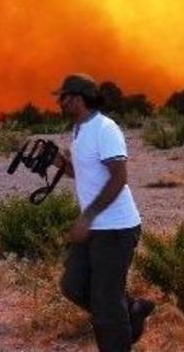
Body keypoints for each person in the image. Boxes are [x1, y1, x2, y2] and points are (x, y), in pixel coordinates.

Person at [52, 73, 155, 352]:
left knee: (106, 303)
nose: (60, 102)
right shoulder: (79, 130)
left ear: (78, 99)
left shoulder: (105, 129)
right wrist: (60, 163)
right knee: (73, 286)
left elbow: (118, 178)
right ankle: (132, 308)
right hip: (95, 228)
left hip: (116, 228)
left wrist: (87, 217)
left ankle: (118, 329)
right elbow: (84, 173)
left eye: (64, 97)